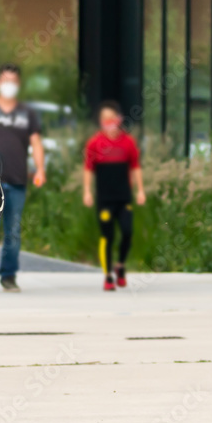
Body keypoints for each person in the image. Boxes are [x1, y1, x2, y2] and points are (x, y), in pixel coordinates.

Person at [0, 64, 46, 293]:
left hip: (17, 180)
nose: (9, 85)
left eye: (13, 81)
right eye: (5, 80)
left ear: (18, 84)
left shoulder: (27, 114)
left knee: (13, 231)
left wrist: (40, 169)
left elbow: (35, 143)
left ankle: (9, 276)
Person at [83, 100, 146, 291]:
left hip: (123, 196)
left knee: (127, 231)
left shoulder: (128, 142)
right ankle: (108, 275)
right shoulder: (95, 143)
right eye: (104, 119)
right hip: (104, 198)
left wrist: (140, 190)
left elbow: (135, 167)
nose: (108, 122)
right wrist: (87, 191)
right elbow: (88, 169)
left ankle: (120, 265)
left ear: (118, 119)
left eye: (111, 119)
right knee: (107, 235)